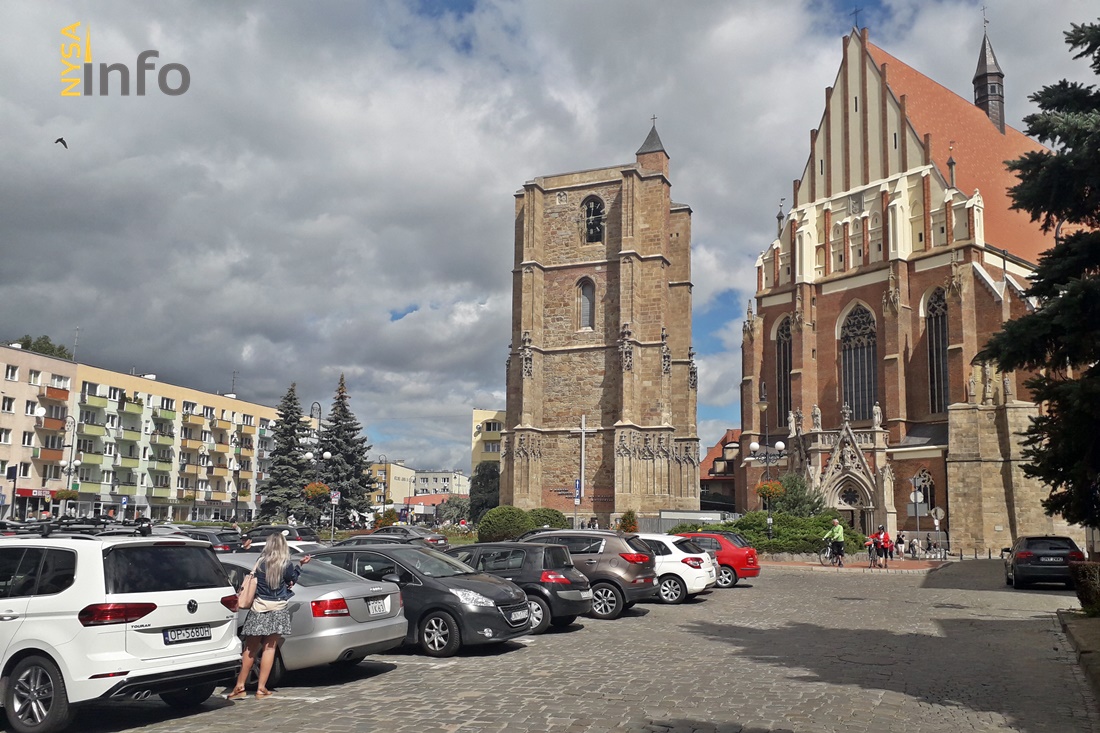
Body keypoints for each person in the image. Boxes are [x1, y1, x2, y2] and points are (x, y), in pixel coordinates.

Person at [225, 533, 311, 700]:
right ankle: (261, 688)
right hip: (278, 608)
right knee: (269, 648)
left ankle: (240, 685)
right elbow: (292, 580)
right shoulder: (286, 564)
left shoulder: (261, 562)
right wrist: (300, 565)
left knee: (250, 648)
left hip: (259, 607)